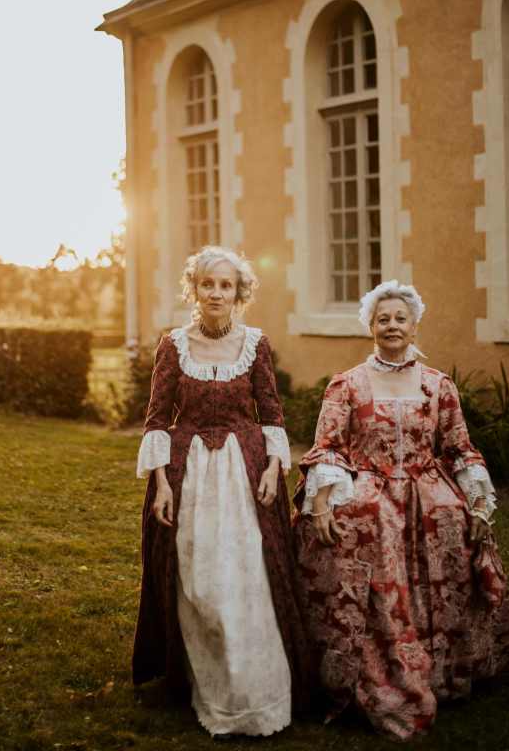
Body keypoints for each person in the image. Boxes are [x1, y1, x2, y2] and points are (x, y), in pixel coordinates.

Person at [292, 279, 509, 741]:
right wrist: (320, 500)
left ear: (414, 326)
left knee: (453, 518)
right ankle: (364, 662)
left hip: (426, 486)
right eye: (383, 319)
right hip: (369, 482)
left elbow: (459, 448)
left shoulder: (438, 385)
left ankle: (445, 666)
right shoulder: (347, 384)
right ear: (371, 328)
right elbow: (328, 446)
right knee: (362, 520)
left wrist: (479, 503)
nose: (392, 325)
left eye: (401, 318)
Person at [133, 245, 309, 738]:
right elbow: (156, 419)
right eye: (207, 284)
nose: (216, 293)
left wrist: (273, 468)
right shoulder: (173, 346)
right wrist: (161, 483)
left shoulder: (255, 345)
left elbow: (271, 414)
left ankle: (253, 691)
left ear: (239, 293)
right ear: (194, 289)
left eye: (225, 285)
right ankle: (202, 678)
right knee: (200, 580)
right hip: (189, 475)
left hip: (244, 473)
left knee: (247, 576)